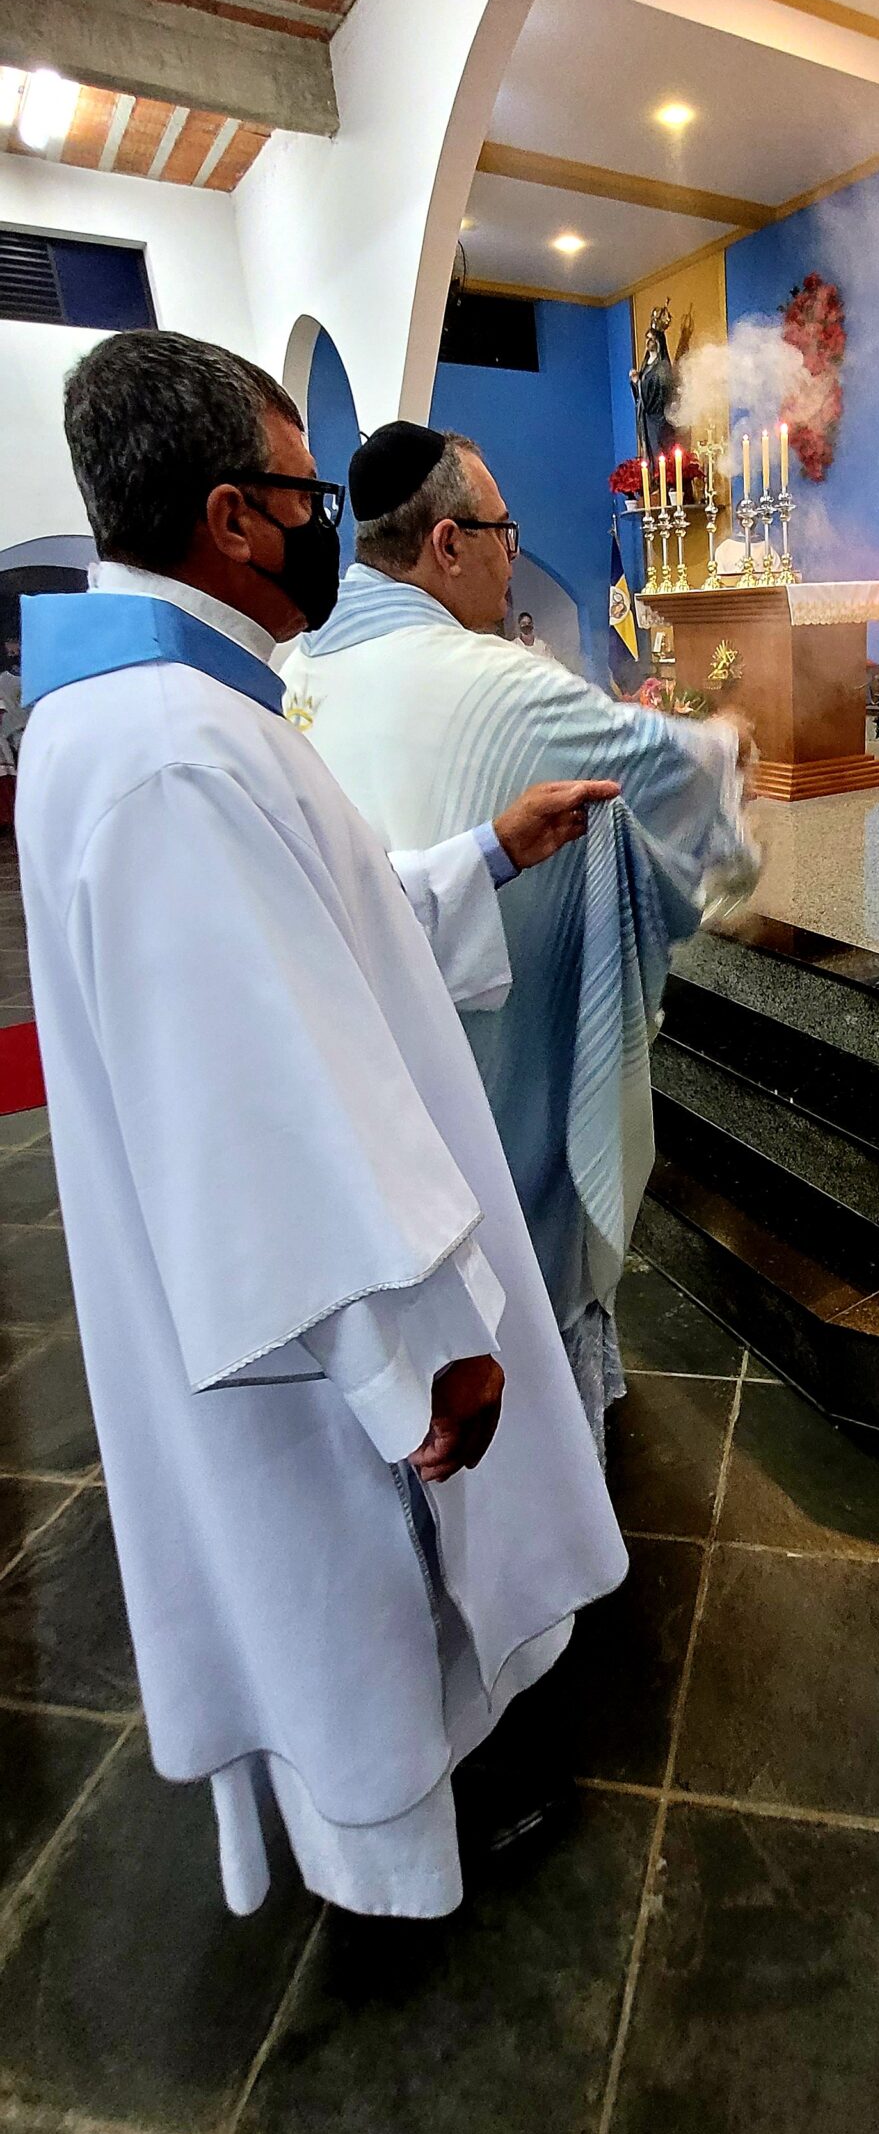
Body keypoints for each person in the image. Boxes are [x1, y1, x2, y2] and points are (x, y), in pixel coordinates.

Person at [16, 330, 629, 1919]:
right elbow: (260, 1113)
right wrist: (417, 1354)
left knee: (355, 1590)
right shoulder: (171, 754)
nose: (326, 527)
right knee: (357, 1584)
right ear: (232, 517)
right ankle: (405, 1845)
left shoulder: (168, 716)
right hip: (313, 1326)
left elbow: (330, 932)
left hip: (287, 1294)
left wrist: (489, 852)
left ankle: (413, 1794)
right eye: (304, 493)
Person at [281, 423, 756, 1450]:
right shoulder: (496, 680)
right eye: (504, 530)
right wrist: (729, 740)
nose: (513, 551)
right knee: (503, 1264)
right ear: (447, 542)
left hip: (340, 1081)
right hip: (477, 1081)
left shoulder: (290, 668)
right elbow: (672, 768)